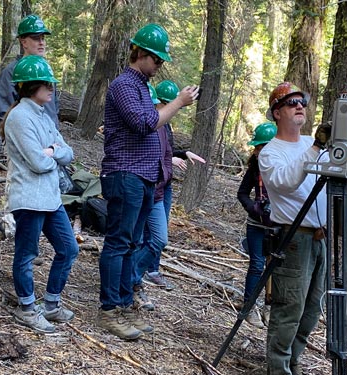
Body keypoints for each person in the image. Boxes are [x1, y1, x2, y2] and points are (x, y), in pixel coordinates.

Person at [97, 23, 200, 341]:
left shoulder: (142, 87)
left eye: (161, 61)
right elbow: (144, 123)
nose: (160, 66)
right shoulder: (125, 85)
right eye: (156, 59)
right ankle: (109, 309)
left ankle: (125, 303)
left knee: (132, 244)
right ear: (140, 53)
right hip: (125, 174)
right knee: (118, 243)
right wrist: (178, 103)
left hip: (143, 177)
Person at [0, 55, 78, 334]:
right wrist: (52, 154)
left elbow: (67, 153)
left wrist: (54, 151)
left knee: (69, 249)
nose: (52, 88)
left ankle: (51, 304)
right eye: (47, 84)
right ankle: (26, 308)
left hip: (50, 197)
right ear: (32, 85)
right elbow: (38, 162)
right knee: (26, 254)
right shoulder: (20, 117)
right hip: (29, 196)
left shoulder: (42, 116)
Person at [258, 82, 332, 375]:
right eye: (291, 103)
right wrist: (316, 146)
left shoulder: (310, 146)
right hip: (293, 239)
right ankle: (278, 368)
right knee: (289, 309)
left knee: (312, 310)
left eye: (302, 101)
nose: (300, 106)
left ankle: (293, 363)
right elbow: (287, 181)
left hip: (319, 237)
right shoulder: (270, 152)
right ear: (277, 113)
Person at [133, 80, 206, 297]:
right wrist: (170, 160)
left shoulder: (166, 124)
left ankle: (143, 272)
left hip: (162, 187)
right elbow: (146, 153)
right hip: (148, 187)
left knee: (158, 237)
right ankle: (134, 277)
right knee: (143, 237)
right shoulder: (151, 122)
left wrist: (181, 154)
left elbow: (167, 150)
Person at [237, 122, 277, 328]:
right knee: (257, 265)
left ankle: (269, 309)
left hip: (279, 227)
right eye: (257, 147)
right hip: (256, 225)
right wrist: (254, 208)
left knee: (274, 268)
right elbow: (242, 193)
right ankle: (248, 307)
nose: (258, 151)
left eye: (262, 147)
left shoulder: (284, 168)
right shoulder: (255, 168)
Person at [0, 14, 59, 128]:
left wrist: (54, 135)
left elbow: (54, 109)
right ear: (23, 42)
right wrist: (24, 137)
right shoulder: (11, 72)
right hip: (25, 139)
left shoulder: (46, 69)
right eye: (36, 38)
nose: (41, 42)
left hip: (51, 139)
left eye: (43, 38)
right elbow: (3, 111)